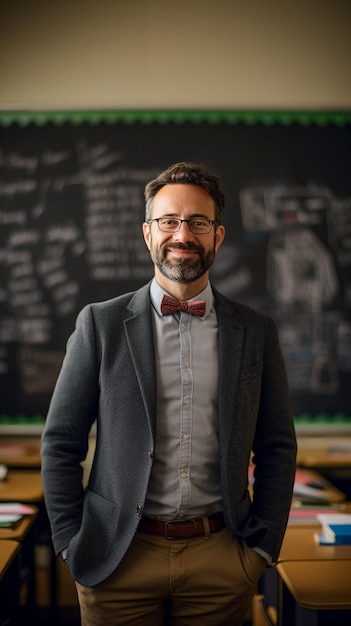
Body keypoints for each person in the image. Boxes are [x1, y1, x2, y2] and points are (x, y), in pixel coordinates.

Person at [41, 161, 297, 626]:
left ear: (218, 236)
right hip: (117, 557)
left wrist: (261, 548)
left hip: (223, 556)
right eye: (169, 221)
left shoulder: (256, 332)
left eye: (198, 222)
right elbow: (60, 442)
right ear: (147, 233)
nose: (183, 234)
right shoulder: (99, 325)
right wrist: (69, 542)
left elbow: (277, 445)